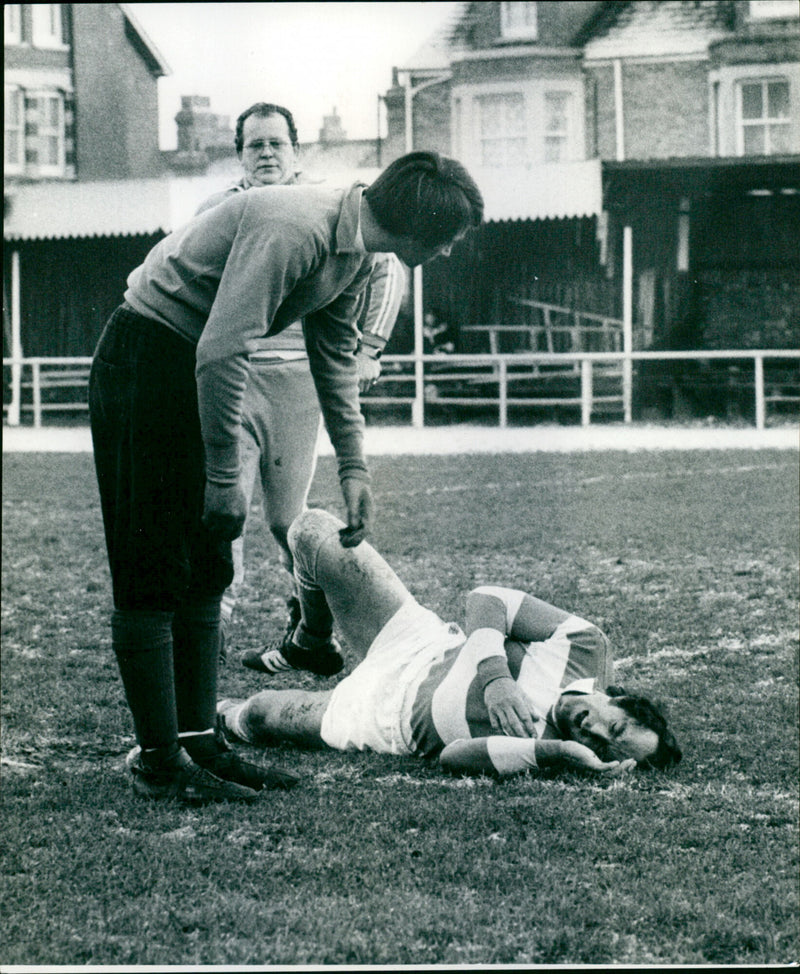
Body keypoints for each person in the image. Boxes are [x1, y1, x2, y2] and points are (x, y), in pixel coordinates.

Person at [89, 151, 484, 804]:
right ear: (417, 225)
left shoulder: (360, 249)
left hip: (190, 363)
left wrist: (353, 467)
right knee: (155, 565)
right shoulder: (297, 226)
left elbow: (331, 359)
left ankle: (198, 741)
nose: (446, 251)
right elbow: (222, 347)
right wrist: (223, 480)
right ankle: (159, 759)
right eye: (448, 237)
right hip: (149, 359)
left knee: (207, 566)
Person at [218, 508, 682, 778]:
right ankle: (312, 640)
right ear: (621, 701)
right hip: (414, 642)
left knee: (257, 713)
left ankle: (217, 714)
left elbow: (452, 756)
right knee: (313, 531)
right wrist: (496, 678)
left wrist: (558, 753)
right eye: (615, 728)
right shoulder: (586, 648)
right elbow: (488, 599)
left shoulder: (548, 749)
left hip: (384, 717)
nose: (595, 734)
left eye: (604, 749)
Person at [195, 102, 405, 672]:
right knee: (225, 506)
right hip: (234, 377)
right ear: (239, 154)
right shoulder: (220, 208)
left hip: (297, 379)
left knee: (289, 520)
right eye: (254, 144)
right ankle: (211, 619)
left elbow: (389, 265)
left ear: (295, 151)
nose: (265, 153)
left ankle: (311, 630)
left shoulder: (324, 210)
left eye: (276, 143)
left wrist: (368, 346)